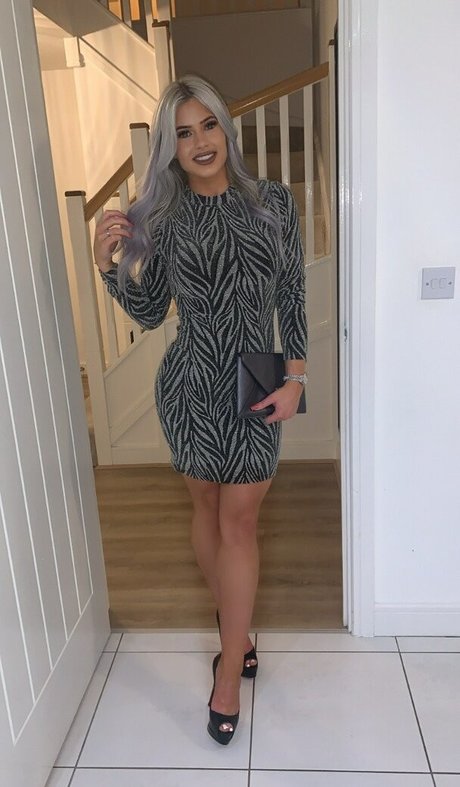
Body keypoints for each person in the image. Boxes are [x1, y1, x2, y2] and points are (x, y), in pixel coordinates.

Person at [93, 74, 308, 745]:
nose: (199, 141)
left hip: (257, 378)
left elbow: (293, 293)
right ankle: (237, 634)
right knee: (208, 511)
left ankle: (228, 673)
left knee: (240, 523)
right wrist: (108, 269)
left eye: (207, 124)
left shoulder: (273, 202)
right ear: (171, 148)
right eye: (183, 133)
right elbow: (149, 311)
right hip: (189, 385)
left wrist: (297, 378)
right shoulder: (164, 219)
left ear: (226, 126)